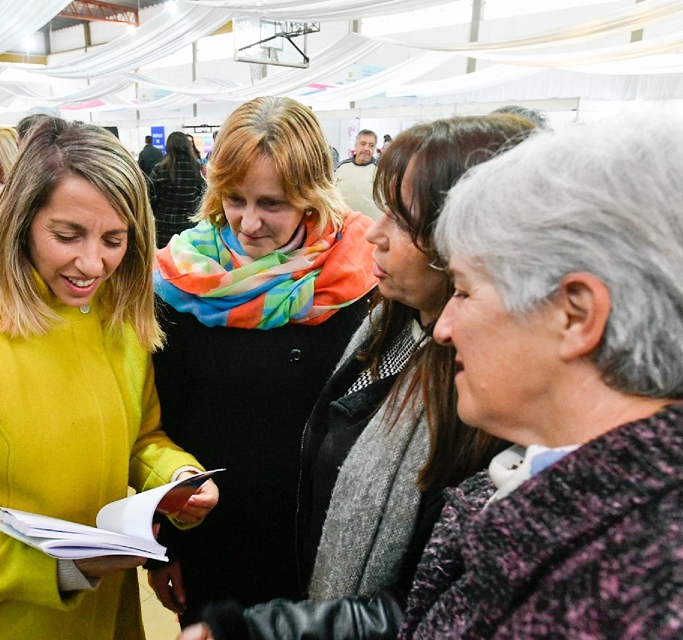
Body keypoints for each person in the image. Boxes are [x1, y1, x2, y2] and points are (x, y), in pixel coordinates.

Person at [177, 114, 536, 640]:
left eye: (403, 217)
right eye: (235, 198)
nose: (374, 231)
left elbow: (431, 594)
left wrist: (260, 630)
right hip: (252, 566)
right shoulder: (387, 323)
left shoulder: (481, 385)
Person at [0, 116, 218, 640]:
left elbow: (142, 439)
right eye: (67, 235)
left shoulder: (117, 313)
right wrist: (61, 568)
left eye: (114, 239)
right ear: (22, 220)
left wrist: (174, 479)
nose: (93, 263)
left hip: (106, 615)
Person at [400, 115, 683, 637]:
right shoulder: (560, 485)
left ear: (574, 315)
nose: (444, 328)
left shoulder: (668, 593)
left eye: (463, 290)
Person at [150, 96, 377, 625]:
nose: (248, 223)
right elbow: (160, 425)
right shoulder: (182, 280)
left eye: (271, 203)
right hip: (215, 537)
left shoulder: (360, 279)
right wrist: (162, 548)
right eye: (234, 198)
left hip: (320, 545)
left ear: (312, 197)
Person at [148, 131, 206, 248]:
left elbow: (149, 194)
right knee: (187, 256)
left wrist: (157, 211)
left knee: (166, 257)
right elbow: (204, 194)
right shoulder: (196, 169)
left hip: (164, 224)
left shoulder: (160, 169)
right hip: (189, 223)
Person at [334, 129, 381, 220]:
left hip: (371, 230)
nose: (366, 148)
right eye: (363, 144)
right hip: (345, 228)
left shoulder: (381, 172)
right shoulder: (341, 168)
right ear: (355, 145)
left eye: (371, 145)